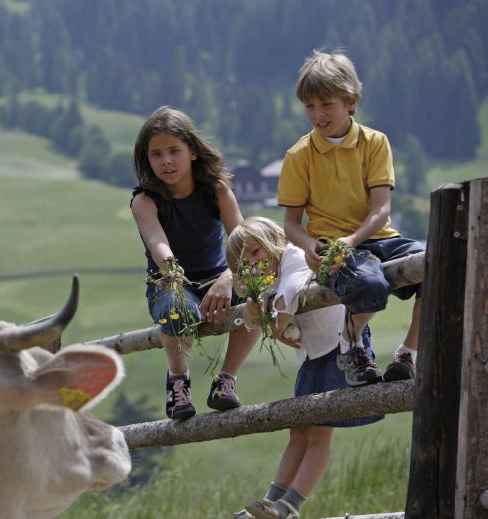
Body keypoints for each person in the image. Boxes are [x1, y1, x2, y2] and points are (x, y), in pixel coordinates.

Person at [278, 49, 424, 387]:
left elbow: (381, 210)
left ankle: (407, 353)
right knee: (370, 284)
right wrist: (310, 244)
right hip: (333, 246)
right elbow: (291, 225)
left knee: (438, 267)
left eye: (326, 104)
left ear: (351, 101)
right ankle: (353, 346)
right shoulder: (299, 156)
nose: (318, 114)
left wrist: (354, 239)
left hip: (378, 236)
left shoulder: (375, 143)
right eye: (310, 106)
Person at [227, 217, 383, 519]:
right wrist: (255, 306)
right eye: (244, 261)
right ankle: (270, 501)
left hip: (338, 345)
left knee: (319, 434)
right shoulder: (270, 276)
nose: (253, 262)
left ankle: (290, 506)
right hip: (315, 355)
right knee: (298, 431)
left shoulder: (295, 257)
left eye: (256, 251)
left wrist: (277, 321)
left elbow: (294, 290)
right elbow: (257, 319)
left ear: (276, 239)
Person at [130, 106, 260, 420]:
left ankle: (226, 380)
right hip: (170, 281)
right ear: (146, 160)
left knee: (259, 291)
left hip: (220, 276)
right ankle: (178, 379)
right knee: (178, 308)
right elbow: (157, 240)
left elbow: (244, 244)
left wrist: (229, 277)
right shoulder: (144, 201)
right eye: (156, 154)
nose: (166, 161)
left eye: (174, 151)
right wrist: (172, 272)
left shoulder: (216, 191)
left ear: (192, 152)